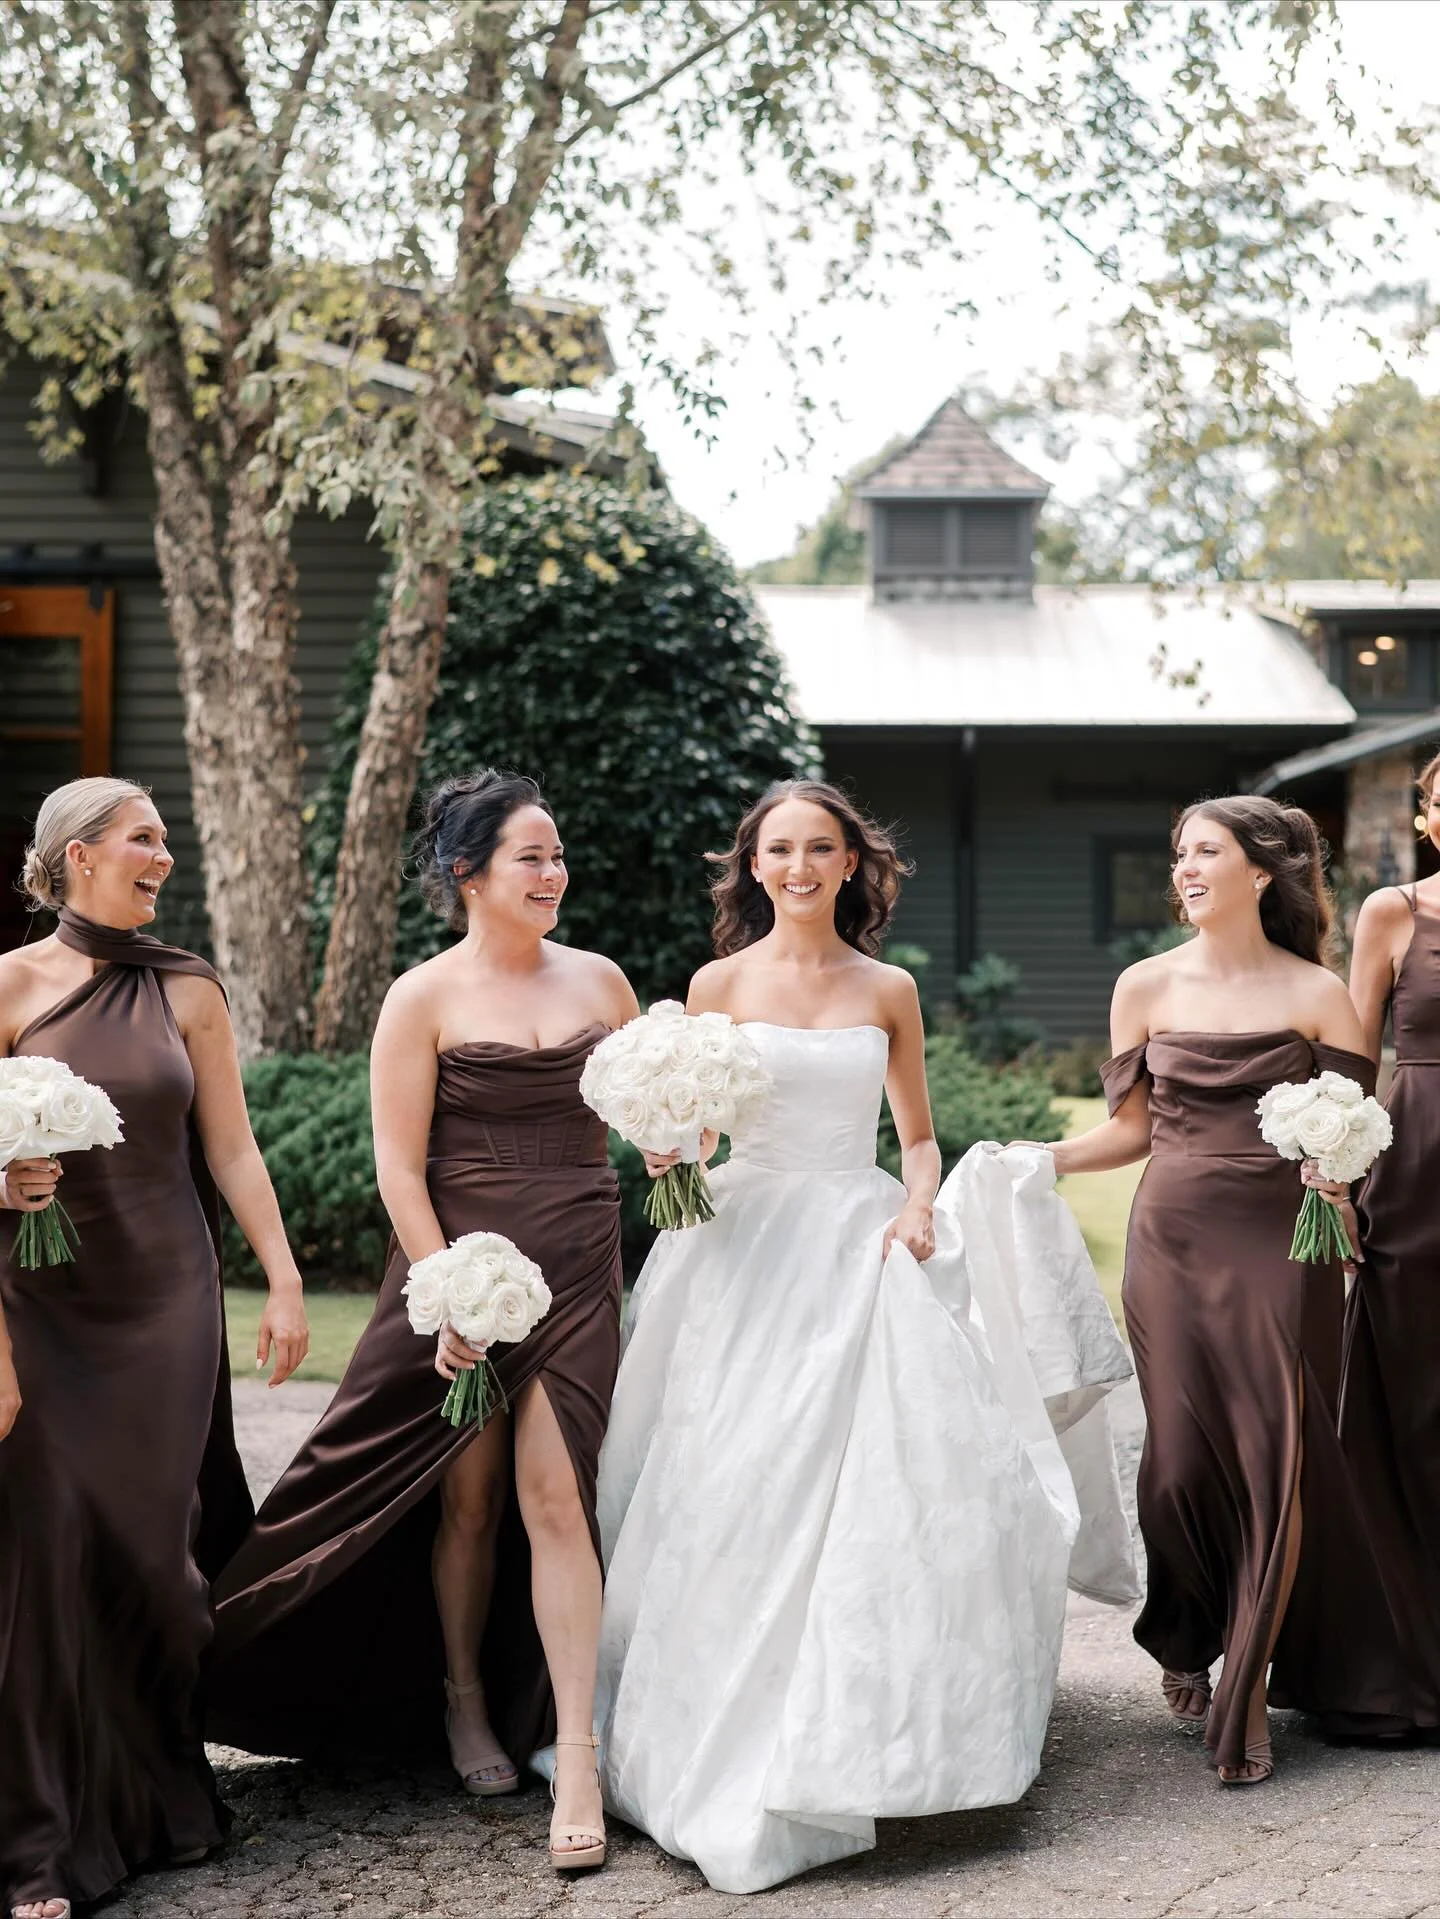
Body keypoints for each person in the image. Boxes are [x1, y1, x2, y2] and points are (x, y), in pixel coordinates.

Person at [595, 778, 1130, 1895]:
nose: (796, 866)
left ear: (851, 863)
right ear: (753, 864)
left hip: (855, 1236)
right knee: (731, 1476)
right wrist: (669, 1151)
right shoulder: (713, 983)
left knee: (867, 1483)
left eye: (818, 848)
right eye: (777, 849)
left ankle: (848, 1727)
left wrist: (918, 1205)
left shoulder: (888, 987)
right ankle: (708, 1730)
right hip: (736, 1248)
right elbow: (695, 1128)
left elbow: (920, 1137)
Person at [209, 771, 638, 1874]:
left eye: (557, 854)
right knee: (470, 1496)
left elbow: (648, 1124)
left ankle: (578, 1750)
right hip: (465, 1260)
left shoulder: (604, 980)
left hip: (582, 1260)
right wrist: (449, 1292)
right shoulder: (422, 995)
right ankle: (460, 1698)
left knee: (559, 1494)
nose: (556, 873)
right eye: (532, 857)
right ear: (468, 874)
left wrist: (684, 1145)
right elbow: (399, 1164)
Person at [1054, 794, 1416, 1787]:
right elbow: (1129, 1131)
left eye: (1204, 850)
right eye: (1179, 853)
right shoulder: (1142, 986)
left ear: (1261, 871)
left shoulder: (1316, 994)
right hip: (1168, 1241)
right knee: (1174, 1467)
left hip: (1282, 1242)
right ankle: (1185, 1625)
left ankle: (1248, 1685)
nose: (1185, 868)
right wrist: (1039, 1159)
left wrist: (1337, 1176)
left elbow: (1354, 1124)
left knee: (1276, 1455)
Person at [0, 776, 308, 1919]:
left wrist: (279, 1276)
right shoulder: (8, 987)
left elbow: (230, 1150)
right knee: (48, 1555)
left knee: (163, 1564)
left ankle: (166, 1795)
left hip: (167, 1302)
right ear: (78, 855)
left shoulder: (189, 987)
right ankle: (40, 1840)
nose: (165, 855)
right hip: (42, 1302)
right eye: (145, 837)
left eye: (166, 838)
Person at [1330, 752, 1440, 1728]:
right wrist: (1340, 1173)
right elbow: (1354, 1058)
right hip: (1418, 1178)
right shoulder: (1391, 913)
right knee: (1411, 1400)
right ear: (1430, 814)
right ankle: (1411, 1660)